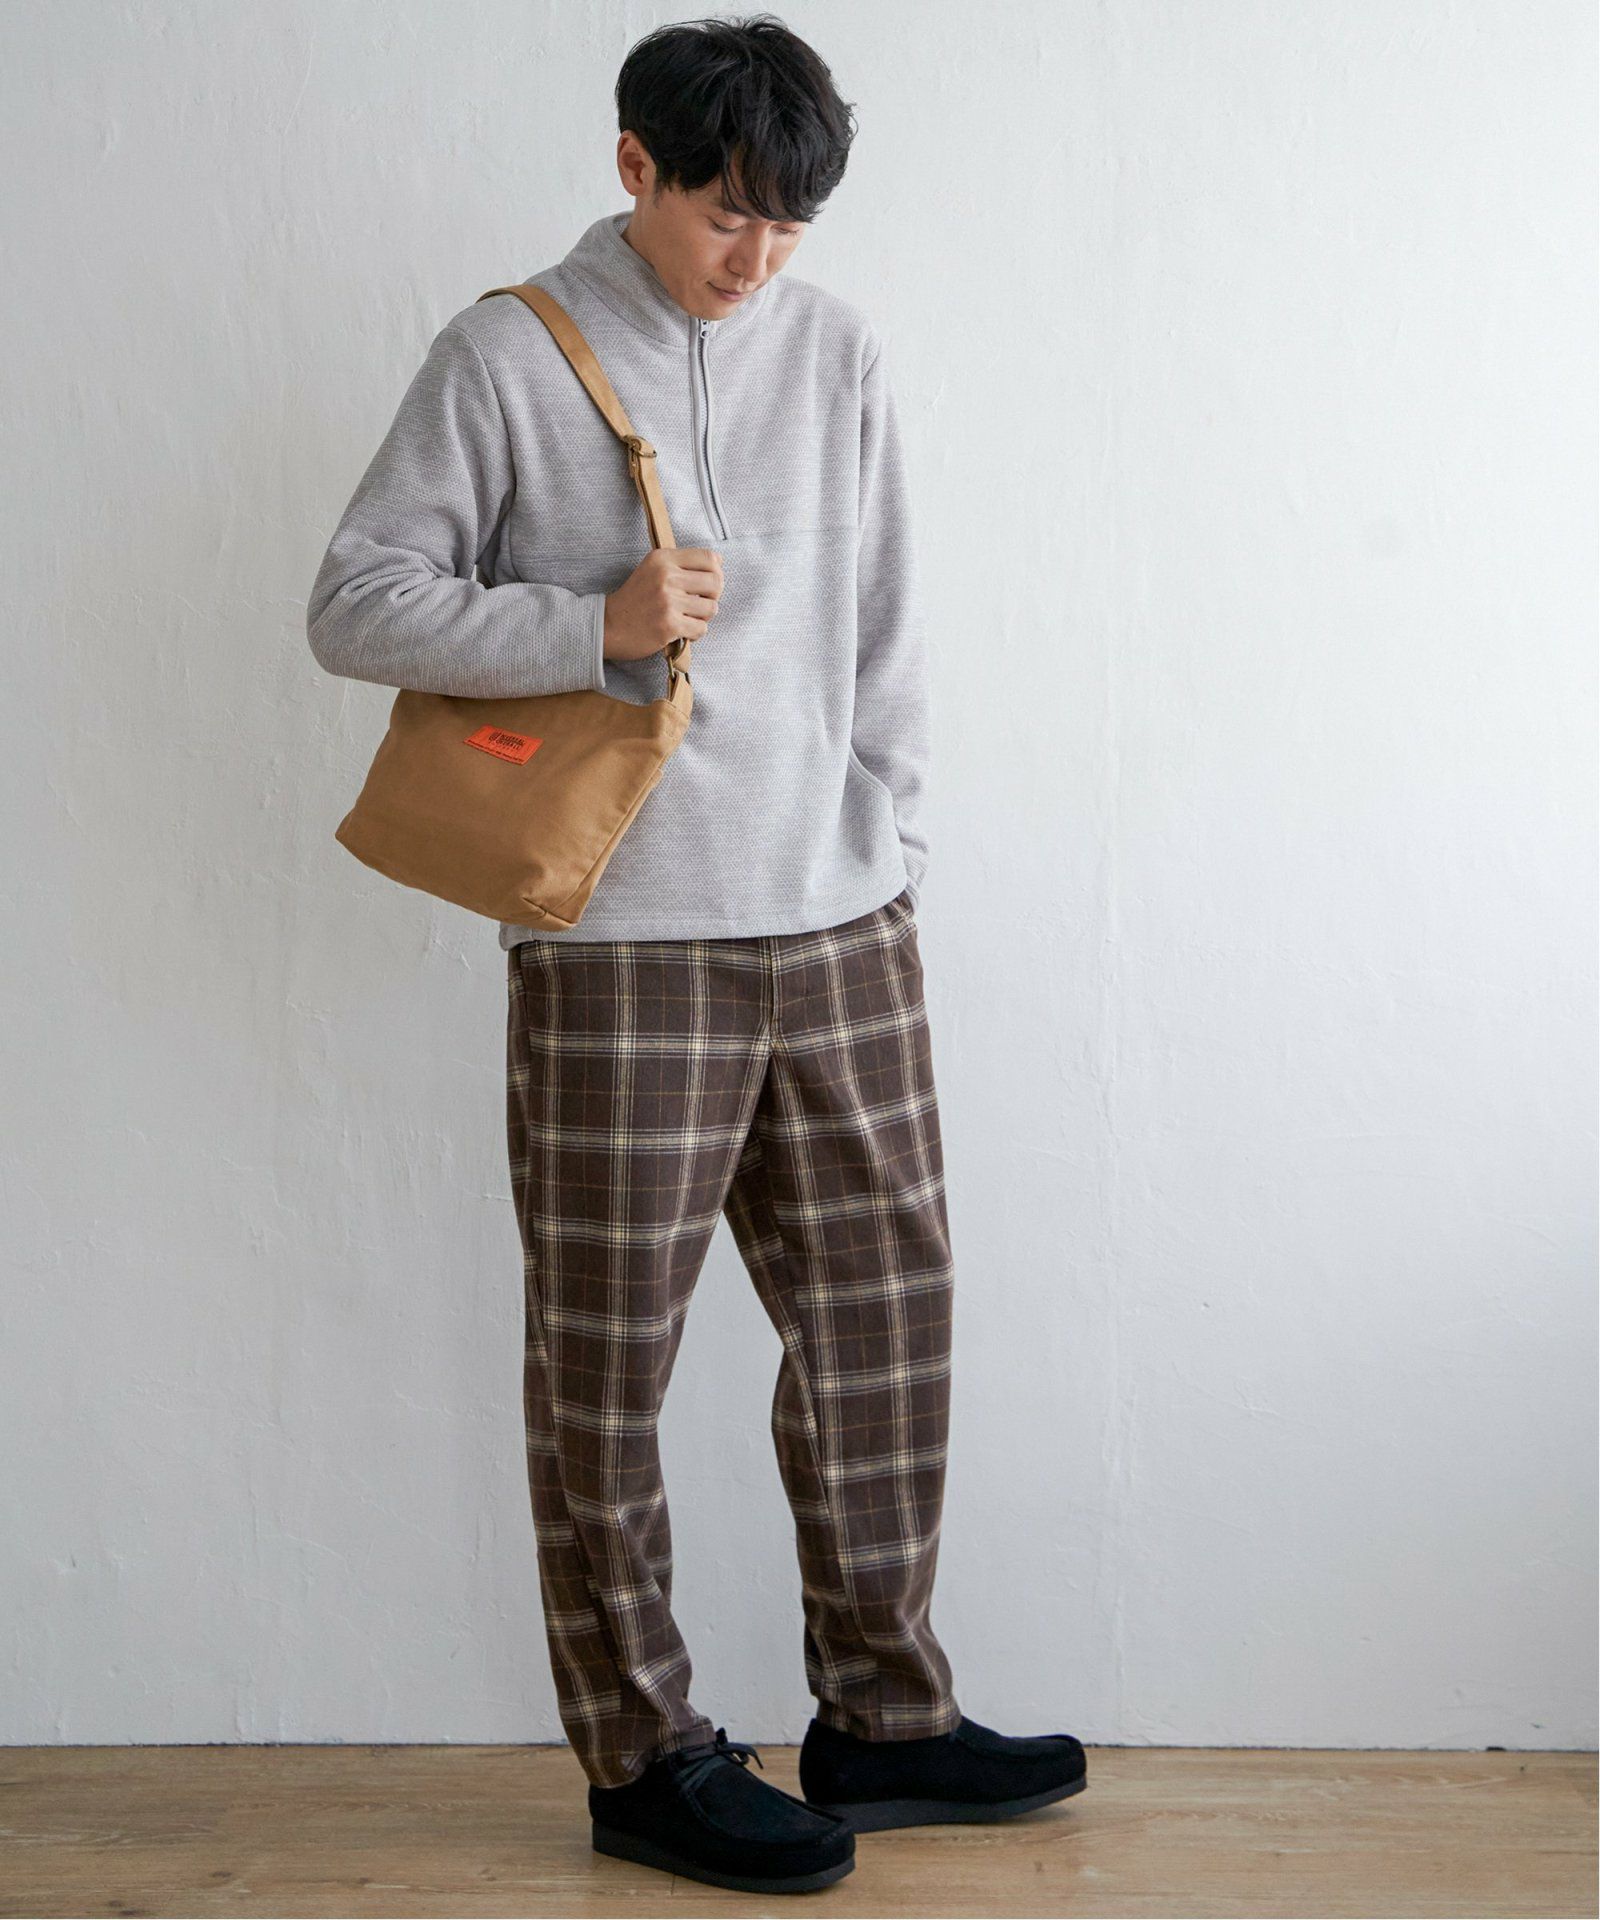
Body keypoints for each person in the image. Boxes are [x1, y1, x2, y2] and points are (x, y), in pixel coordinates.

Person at [305, 12, 1085, 1897]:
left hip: (841, 920)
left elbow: (886, 618)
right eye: (729, 212)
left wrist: (887, 838)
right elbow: (355, 603)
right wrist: (596, 624)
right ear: (636, 166)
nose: (759, 257)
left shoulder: (837, 348)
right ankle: (643, 1754)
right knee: (608, 1362)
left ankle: (883, 1715)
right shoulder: (507, 353)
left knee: (887, 1321)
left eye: (792, 223)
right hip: (627, 945)